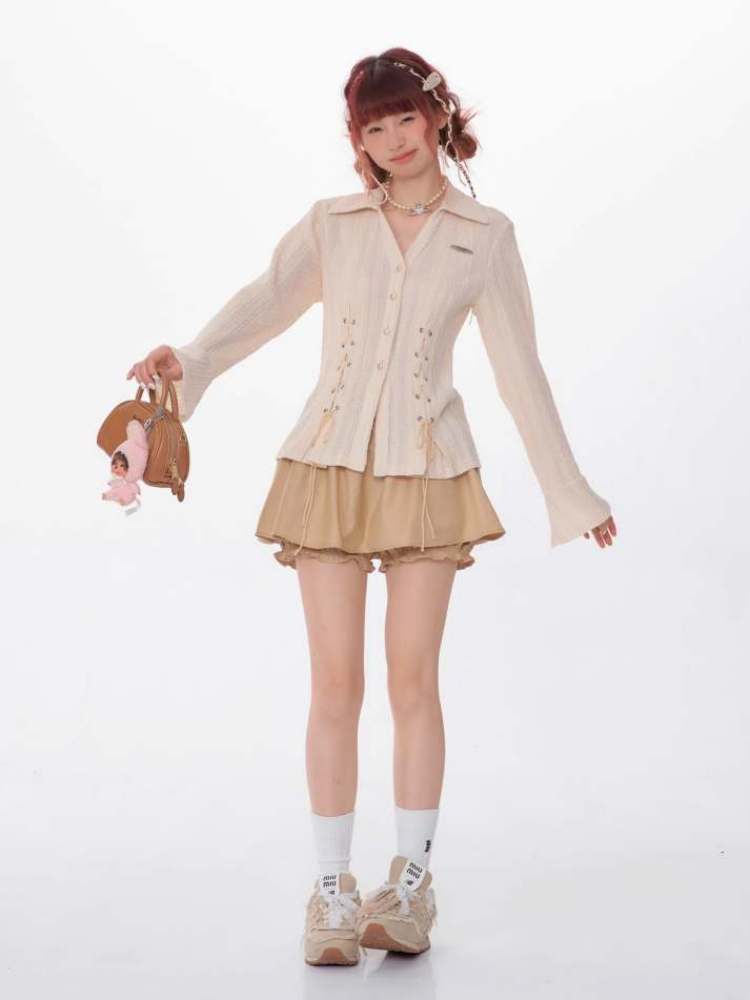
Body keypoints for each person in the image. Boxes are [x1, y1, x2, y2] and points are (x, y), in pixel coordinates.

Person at [127, 47, 617, 966]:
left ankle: (413, 884)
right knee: (335, 686)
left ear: (438, 116)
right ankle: (331, 892)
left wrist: (571, 492)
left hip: (429, 474)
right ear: (359, 138)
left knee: (413, 682)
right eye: (373, 126)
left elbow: (521, 373)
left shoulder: (485, 235)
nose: (392, 140)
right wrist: (184, 364)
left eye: (404, 119)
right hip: (327, 468)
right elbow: (262, 306)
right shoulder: (334, 223)